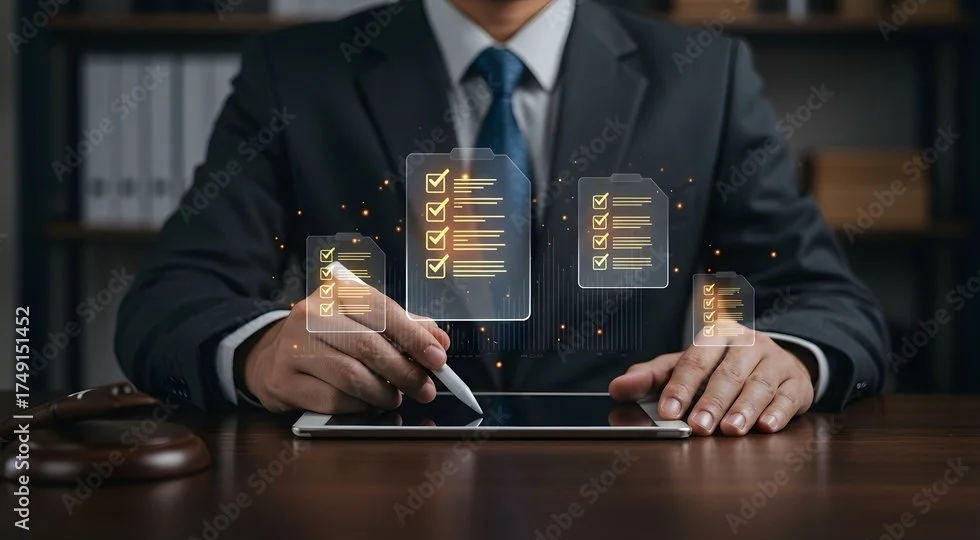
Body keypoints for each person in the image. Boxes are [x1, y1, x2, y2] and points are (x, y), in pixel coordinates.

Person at [115, 0, 888, 436]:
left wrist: (786, 354)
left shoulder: (702, 79)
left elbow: (831, 302)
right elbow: (171, 300)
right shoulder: (297, 74)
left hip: (627, 497)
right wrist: (258, 351)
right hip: (368, 500)